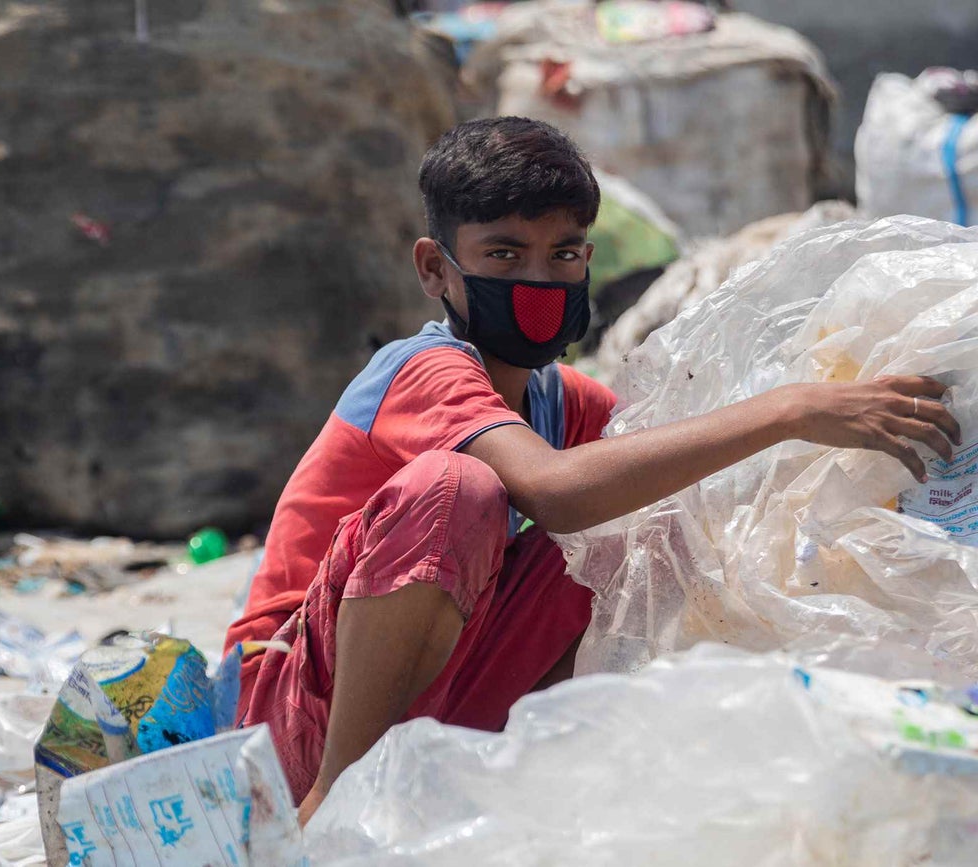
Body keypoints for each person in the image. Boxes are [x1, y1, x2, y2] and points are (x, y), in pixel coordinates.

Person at [223, 116, 961, 825]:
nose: (539, 280)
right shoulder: (422, 371)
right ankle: (331, 808)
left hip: (433, 698)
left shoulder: (560, 398)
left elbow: (677, 464)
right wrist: (791, 407)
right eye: (504, 256)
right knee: (457, 489)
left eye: (564, 254)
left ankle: (524, 774)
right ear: (433, 268)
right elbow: (556, 491)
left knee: (659, 518)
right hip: (286, 713)